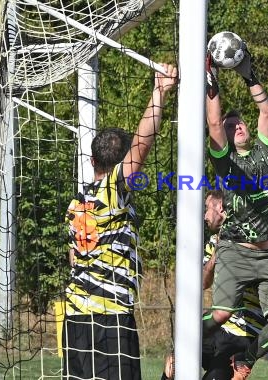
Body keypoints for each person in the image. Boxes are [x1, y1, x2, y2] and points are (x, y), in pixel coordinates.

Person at [62, 63, 178, 380]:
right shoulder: (113, 191)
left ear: (91, 160)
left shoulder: (76, 203)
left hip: (75, 317)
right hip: (109, 319)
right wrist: (160, 91)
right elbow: (141, 148)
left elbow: (75, 256)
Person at [203, 47, 268, 379]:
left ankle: (246, 360)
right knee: (221, 314)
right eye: (231, 127)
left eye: (239, 123)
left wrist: (248, 73)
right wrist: (210, 78)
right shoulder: (225, 164)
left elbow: (267, 109)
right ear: (225, 138)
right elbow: (213, 121)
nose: (237, 126)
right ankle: (181, 342)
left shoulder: (266, 153)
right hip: (235, 249)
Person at [200, 189, 268, 380]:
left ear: (220, 207)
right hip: (217, 325)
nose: (205, 215)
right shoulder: (213, 241)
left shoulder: (253, 239)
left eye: (207, 208)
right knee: (175, 360)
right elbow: (203, 283)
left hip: (242, 333)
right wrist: (216, 255)